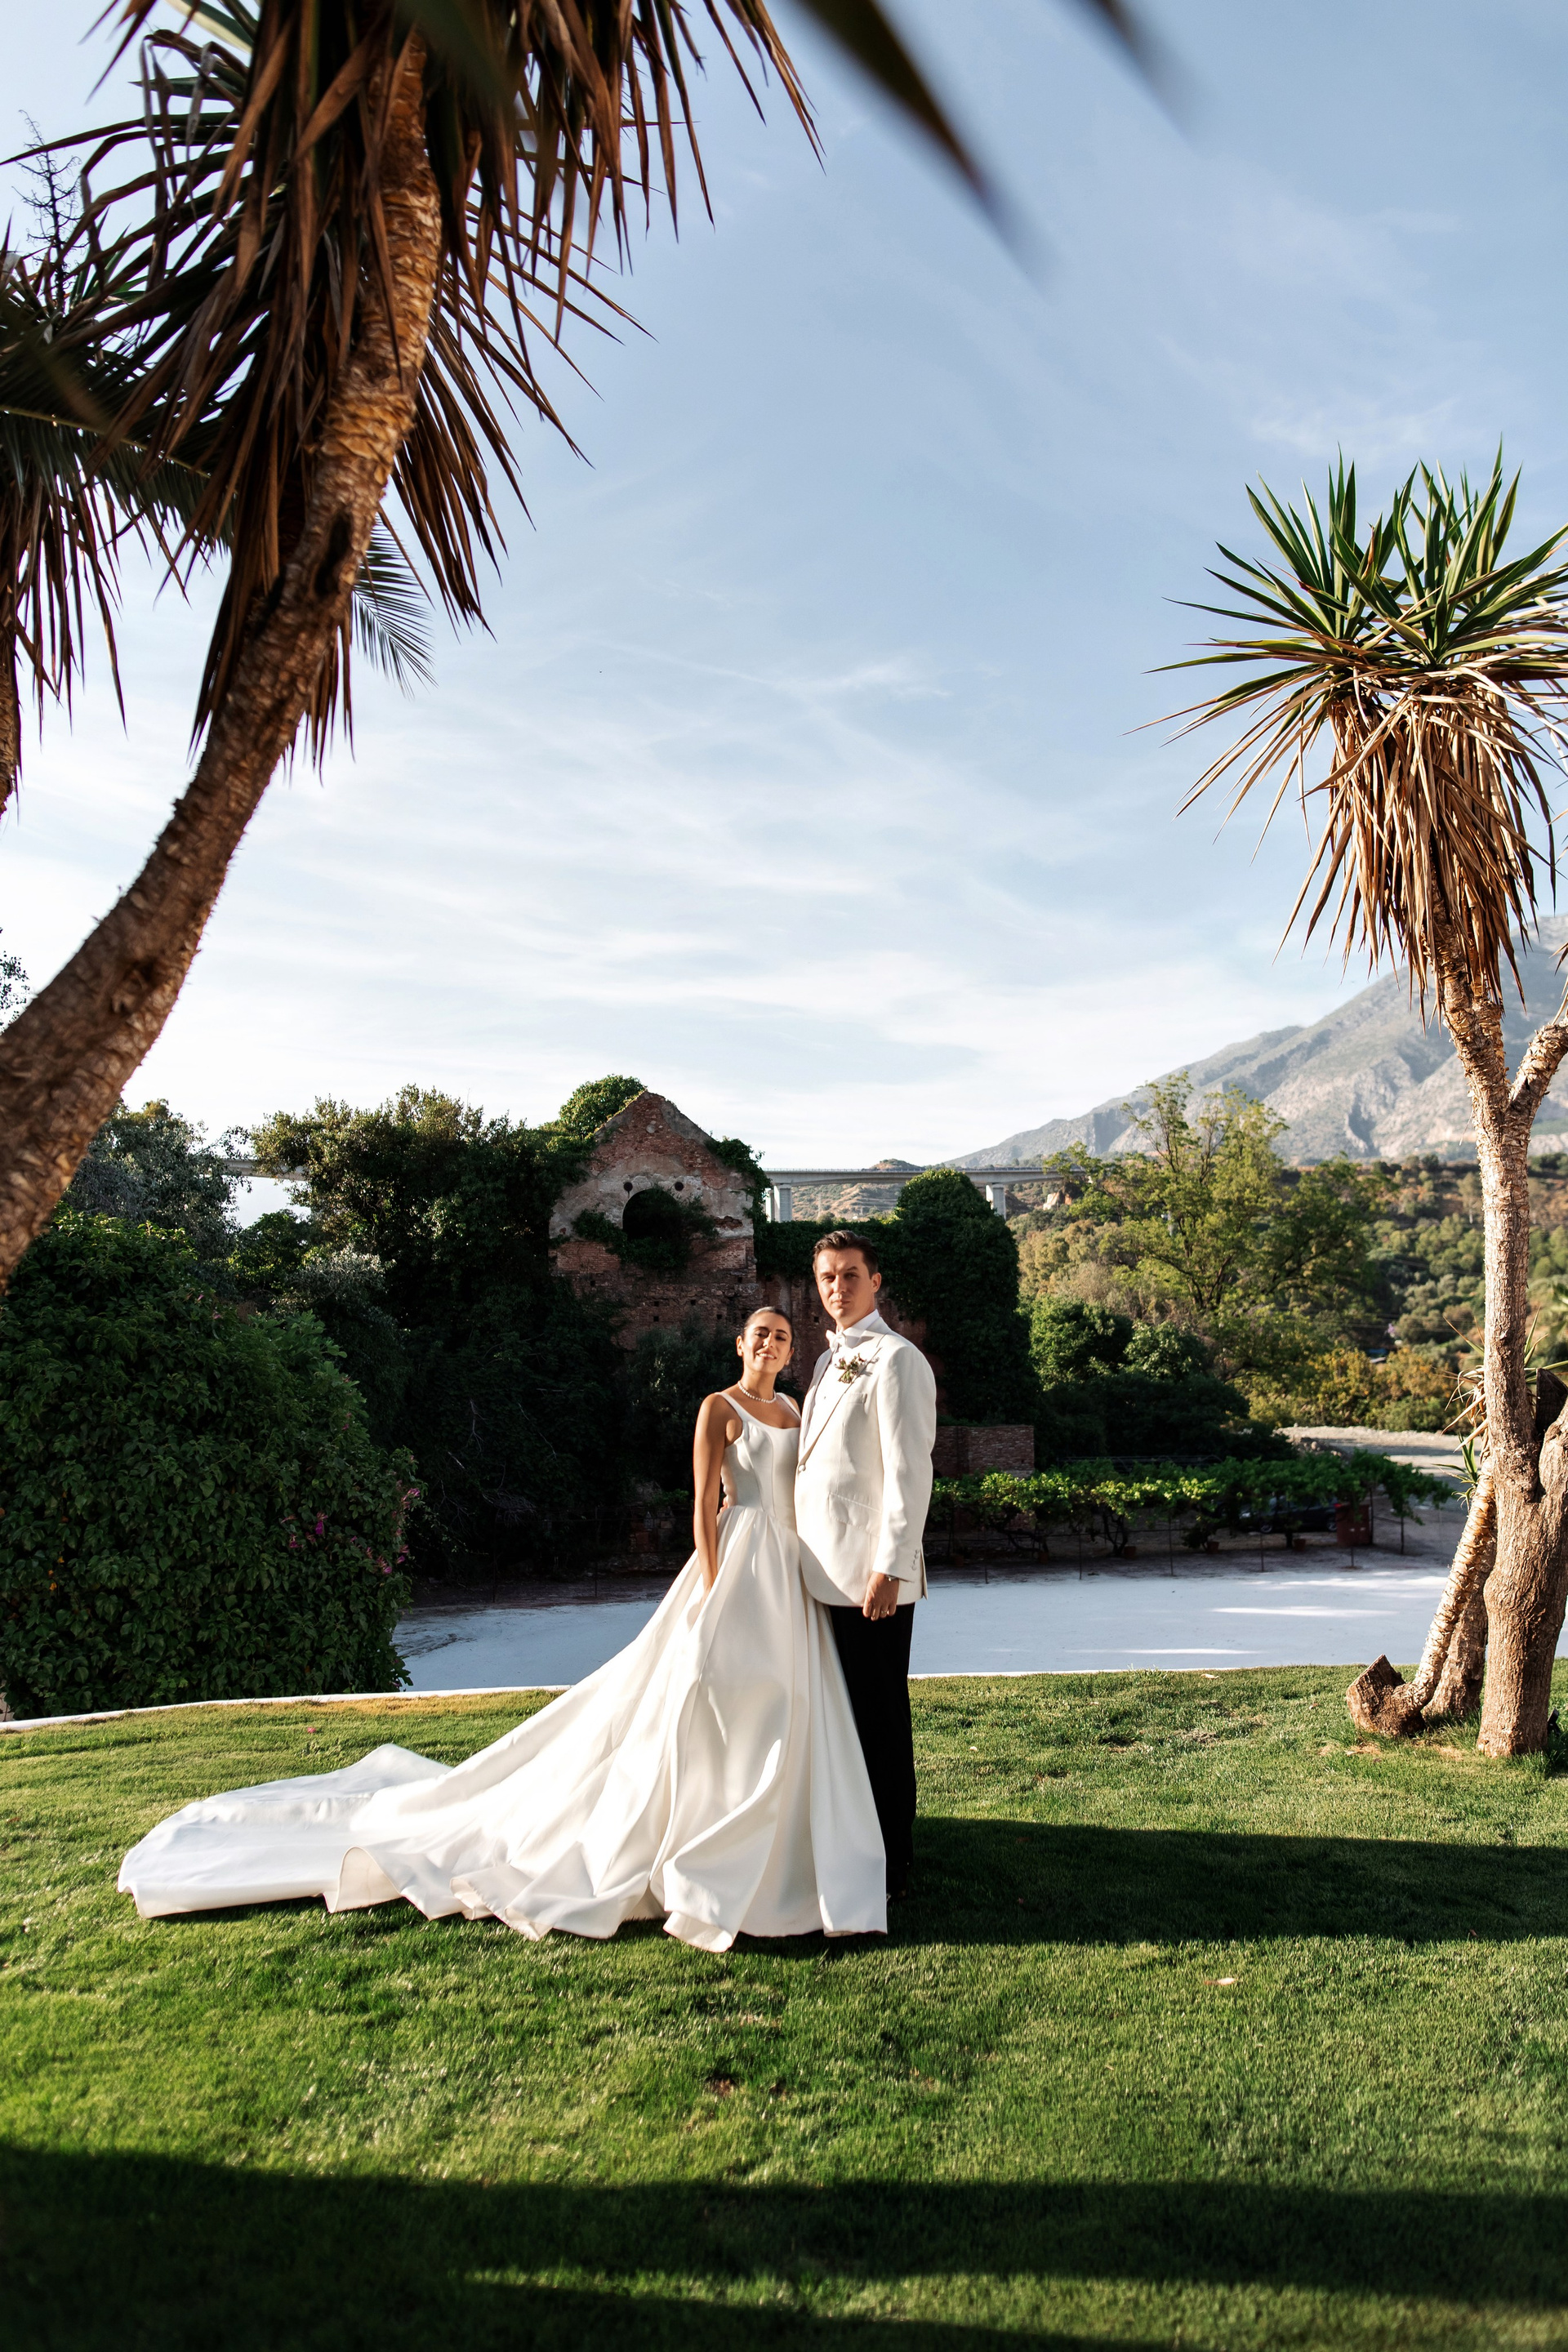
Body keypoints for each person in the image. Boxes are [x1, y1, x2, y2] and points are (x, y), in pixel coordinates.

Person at [118, 1303, 886, 1949]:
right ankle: (702, 1838)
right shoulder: (718, 1407)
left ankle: (775, 1842)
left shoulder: (795, 1410)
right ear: (740, 1344)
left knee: (788, 1698)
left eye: (782, 1336)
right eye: (760, 1334)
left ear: (790, 1350)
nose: (770, 1343)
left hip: (787, 1569)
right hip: (738, 1560)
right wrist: (713, 1585)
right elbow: (702, 1505)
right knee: (714, 1693)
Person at [794, 1230, 938, 1900]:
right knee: (839, 1720)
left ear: (875, 1281)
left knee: (878, 1720)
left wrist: (891, 1567)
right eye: (827, 1277)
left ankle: (892, 1862)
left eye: (850, 1275)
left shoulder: (899, 1359)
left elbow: (911, 1473)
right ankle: (847, 1842)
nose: (838, 1287)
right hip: (819, 1574)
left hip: (868, 1580)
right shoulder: (827, 1362)